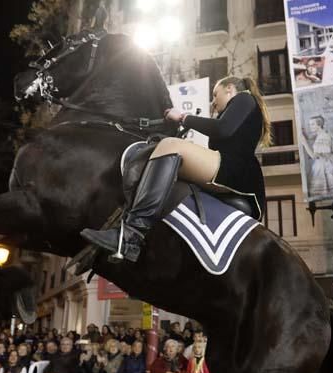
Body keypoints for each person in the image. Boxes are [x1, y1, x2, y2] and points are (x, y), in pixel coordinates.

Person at [81, 75, 272, 262]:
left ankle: (131, 234)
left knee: (170, 146)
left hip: (235, 170)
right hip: (230, 169)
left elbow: (223, 129)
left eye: (216, 94)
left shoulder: (244, 98)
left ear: (230, 89)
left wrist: (183, 117)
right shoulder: (237, 109)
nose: (213, 102)